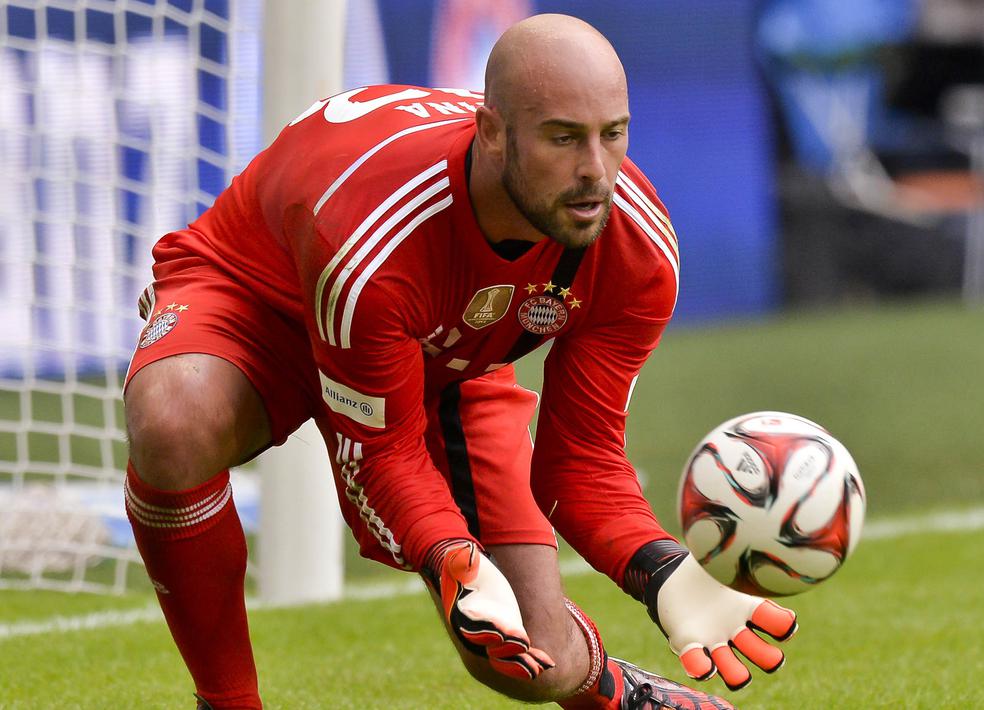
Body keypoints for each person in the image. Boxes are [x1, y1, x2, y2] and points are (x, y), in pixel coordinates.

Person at [121, 13, 797, 710]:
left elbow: (582, 466)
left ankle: (614, 690)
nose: (595, 171)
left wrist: (664, 571)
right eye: (563, 138)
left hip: (436, 353)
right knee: (175, 418)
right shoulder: (379, 240)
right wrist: (453, 559)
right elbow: (381, 454)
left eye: (612, 134)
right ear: (494, 132)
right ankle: (227, 702)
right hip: (264, 301)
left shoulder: (633, 248)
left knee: (534, 663)